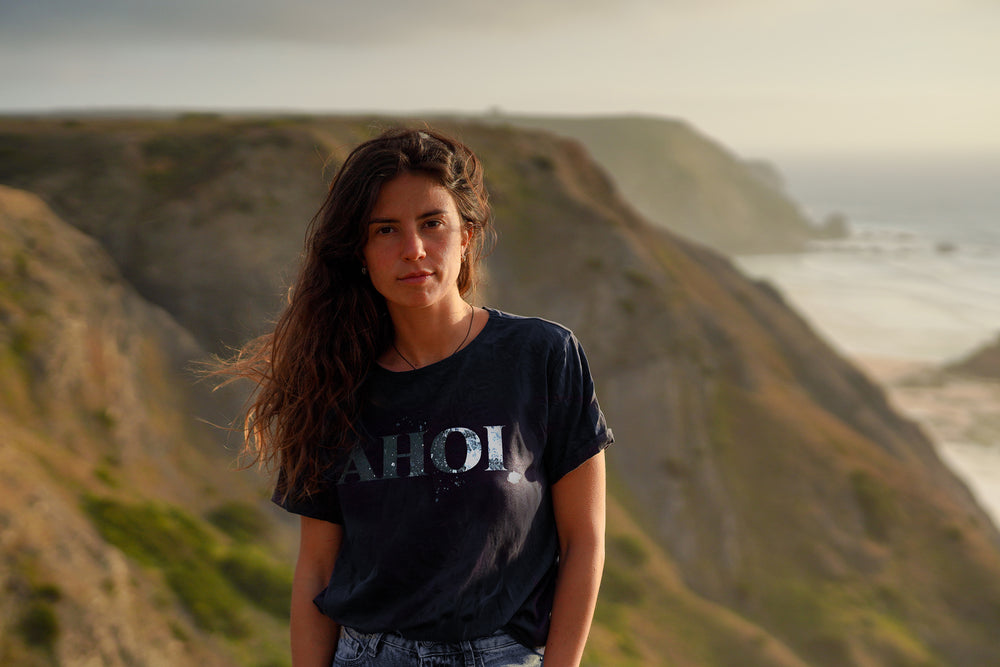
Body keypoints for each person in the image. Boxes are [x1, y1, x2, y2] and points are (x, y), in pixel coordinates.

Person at [222, 127, 613, 667]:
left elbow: (584, 540)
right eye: (386, 230)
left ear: (466, 236)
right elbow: (317, 569)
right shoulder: (330, 382)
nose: (414, 250)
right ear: (361, 253)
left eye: (432, 224)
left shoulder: (541, 355)